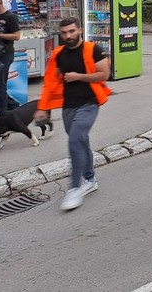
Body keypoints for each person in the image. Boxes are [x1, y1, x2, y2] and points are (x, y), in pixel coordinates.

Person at [35, 18, 111, 210]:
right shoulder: (59, 54)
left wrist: (79, 77)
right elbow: (51, 82)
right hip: (68, 106)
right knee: (80, 141)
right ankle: (90, 179)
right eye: (64, 33)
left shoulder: (93, 50)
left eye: (71, 31)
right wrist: (43, 107)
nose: (68, 36)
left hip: (89, 103)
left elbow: (104, 74)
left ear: (80, 30)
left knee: (75, 139)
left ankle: (75, 187)